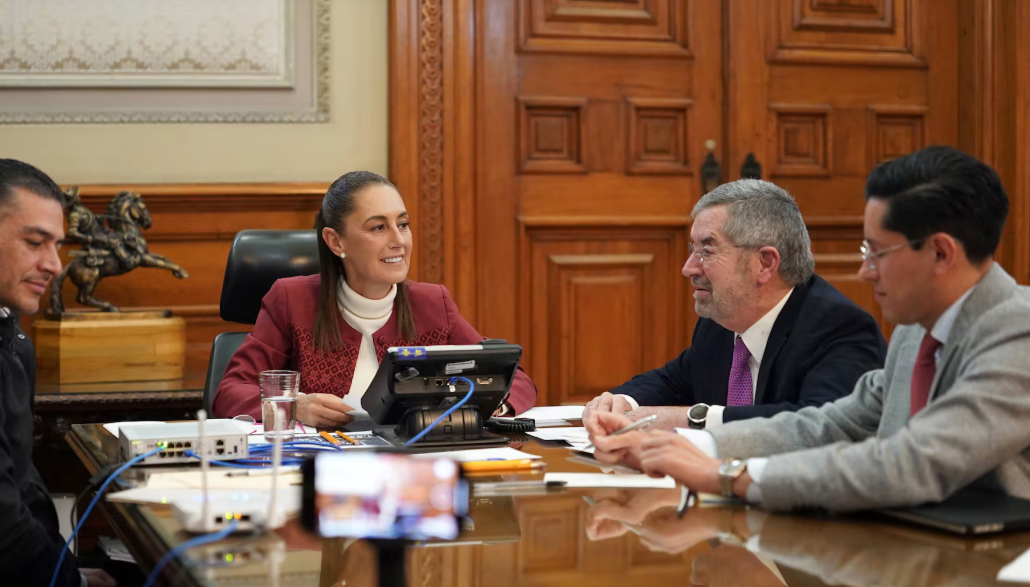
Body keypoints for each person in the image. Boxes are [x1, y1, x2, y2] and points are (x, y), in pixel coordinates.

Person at [589, 146, 1030, 513]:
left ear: (940, 254)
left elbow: (915, 462)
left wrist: (730, 476)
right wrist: (683, 449)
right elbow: (825, 425)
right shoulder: (916, 333)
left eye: (877, 253)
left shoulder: (1018, 332)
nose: (864, 272)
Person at [214, 171, 538, 425]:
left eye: (403, 224)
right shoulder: (292, 300)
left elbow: (514, 379)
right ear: (336, 241)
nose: (399, 241)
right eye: (378, 228)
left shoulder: (433, 303)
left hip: (413, 471)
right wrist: (294, 406)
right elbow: (229, 394)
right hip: (320, 470)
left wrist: (495, 404)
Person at [584, 179, 886, 432]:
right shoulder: (722, 321)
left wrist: (694, 419)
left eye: (707, 251)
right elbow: (673, 380)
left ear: (764, 263)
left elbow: (817, 426)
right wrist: (621, 402)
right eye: (693, 249)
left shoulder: (839, 328)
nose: (688, 268)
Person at [0, 159, 115, 586]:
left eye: (58, 246)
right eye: (34, 243)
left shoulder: (6, 330)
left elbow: (22, 484)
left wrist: (66, 571)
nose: (54, 264)